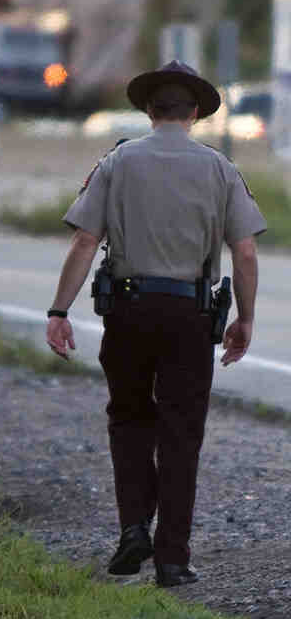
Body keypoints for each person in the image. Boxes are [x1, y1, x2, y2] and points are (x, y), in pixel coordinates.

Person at [46, 60, 267, 588]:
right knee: (181, 433)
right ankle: (172, 559)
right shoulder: (220, 168)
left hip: (127, 311)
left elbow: (83, 241)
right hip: (191, 315)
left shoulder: (118, 161)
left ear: (149, 111)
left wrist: (59, 310)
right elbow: (246, 252)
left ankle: (132, 529)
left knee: (128, 419)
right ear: (194, 113)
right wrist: (245, 319)